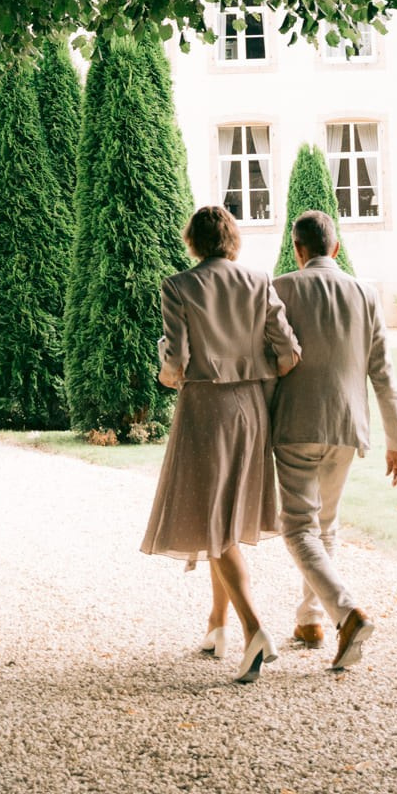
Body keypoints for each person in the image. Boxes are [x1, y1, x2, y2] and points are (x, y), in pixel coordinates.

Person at [146, 205, 300, 684]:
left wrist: (167, 375)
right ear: (232, 238)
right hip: (251, 407)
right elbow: (289, 351)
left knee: (213, 519)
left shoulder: (179, 286)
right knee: (225, 516)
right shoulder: (259, 281)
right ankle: (217, 626)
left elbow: (177, 357)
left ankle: (255, 629)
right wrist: (255, 373)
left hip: (205, 408)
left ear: (192, 240)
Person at [268, 208, 397, 672]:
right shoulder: (365, 294)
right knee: (325, 525)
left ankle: (347, 614)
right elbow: (382, 373)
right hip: (348, 426)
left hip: (296, 424)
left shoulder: (281, 288)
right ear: (336, 247)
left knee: (297, 528)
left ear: (297, 249)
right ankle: (311, 618)